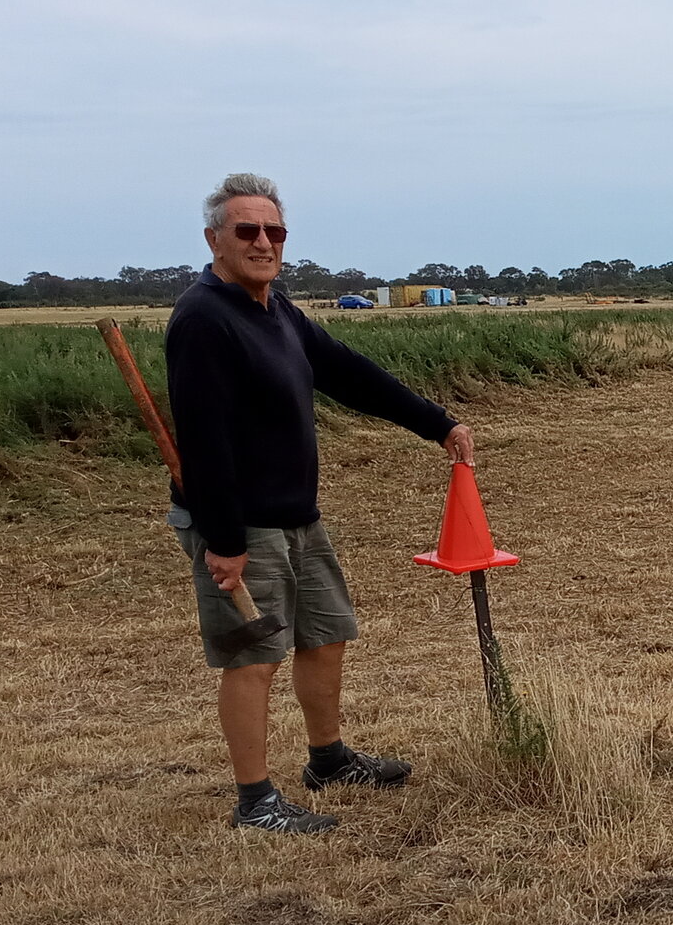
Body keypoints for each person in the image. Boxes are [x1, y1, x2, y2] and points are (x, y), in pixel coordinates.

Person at [166, 172, 476, 833]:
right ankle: (256, 800)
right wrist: (222, 540)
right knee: (254, 656)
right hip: (241, 521)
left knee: (327, 633)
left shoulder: (277, 313)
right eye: (246, 230)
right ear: (213, 239)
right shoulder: (203, 320)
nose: (262, 241)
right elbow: (204, 440)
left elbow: (348, 373)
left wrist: (436, 422)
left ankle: (328, 759)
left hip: (296, 514)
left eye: (274, 231)